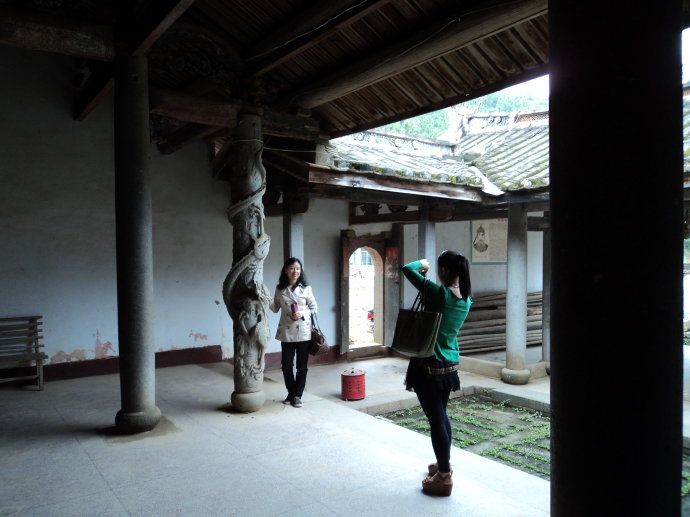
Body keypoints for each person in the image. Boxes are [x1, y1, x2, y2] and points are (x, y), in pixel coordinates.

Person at [401, 250, 473, 497]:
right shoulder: (465, 298)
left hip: (429, 365)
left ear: (443, 271)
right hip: (450, 364)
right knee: (441, 416)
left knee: (436, 420)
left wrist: (421, 263)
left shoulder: (439, 294)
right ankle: (445, 465)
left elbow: (406, 269)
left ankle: (443, 477)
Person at [270, 257, 317, 408]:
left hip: (303, 332)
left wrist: (302, 313)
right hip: (286, 332)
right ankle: (291, 393)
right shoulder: (280, 289)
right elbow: (274, 308)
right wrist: (265, 298)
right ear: (286, 270)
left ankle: (298, 395)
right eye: (292, 268)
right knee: (286, 366)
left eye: (298, 268)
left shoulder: (306, 288)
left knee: (301, 366)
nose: (295, 271)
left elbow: (314, 308)